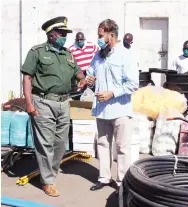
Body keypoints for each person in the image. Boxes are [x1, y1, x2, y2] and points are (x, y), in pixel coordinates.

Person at [21, 16, 86, 197]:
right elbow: (27, 77)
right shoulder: (37, 52)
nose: (65, 36)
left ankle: (50, 172)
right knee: (45, 143)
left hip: (64, 102)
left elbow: (77, 72)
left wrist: (82, 79)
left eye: (66, 33)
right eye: (61, 33)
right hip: (43, 102)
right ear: (51, 35)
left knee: (60, 142)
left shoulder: (68, 54)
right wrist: (28, 103)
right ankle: (47, 180)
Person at [86, 19, 139, 193]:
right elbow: (90, 71)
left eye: (101, 36)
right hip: (102, 109)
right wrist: (89, 79)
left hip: (120, 109)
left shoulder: (126, 55)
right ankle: (104, 177)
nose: (98, 39)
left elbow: (133, 84)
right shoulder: (98, 55)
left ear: (112, 35)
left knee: (122, 147)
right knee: (102, 144)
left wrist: (112, 93)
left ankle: (122, 181)